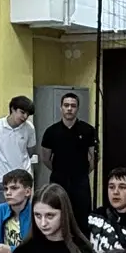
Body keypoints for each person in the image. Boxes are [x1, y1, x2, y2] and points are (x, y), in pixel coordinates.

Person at [38, 91, 97, 233]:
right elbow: (45, 158)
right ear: (61, 108)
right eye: (66, 105)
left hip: (80, 181)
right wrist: (59, 170)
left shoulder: (88, 130)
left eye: (73, 106)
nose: (69, 108)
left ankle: (82, 244)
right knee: (57, 214)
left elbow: (94, 156)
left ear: (77, 108)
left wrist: (84, 171)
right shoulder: (51, 132)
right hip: (58, 181)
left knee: (82, 217)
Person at [0, 95, 37, 201]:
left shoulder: (29, 128)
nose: (25, 117)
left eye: (27, 114)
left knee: (24, 210)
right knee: (1, 210)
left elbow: (30, 151)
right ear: (13, 109)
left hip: (23, 179)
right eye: (22, 112)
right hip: (1, 179)